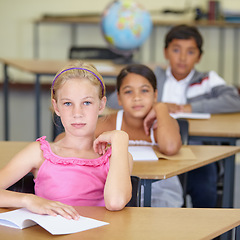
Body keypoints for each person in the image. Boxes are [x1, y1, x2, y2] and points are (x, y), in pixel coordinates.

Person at [108, 24, 240, 208]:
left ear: (199, 56)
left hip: (195, 148)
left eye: (190, 52)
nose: (182, 58)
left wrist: (190, 107)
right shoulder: (154, 76)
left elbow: (234, 99)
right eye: (176, 50)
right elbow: (114, 100)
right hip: (155, 146)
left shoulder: (207, 79)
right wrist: (155, 106)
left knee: (205, 186)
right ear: (165, 52)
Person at [0, 61, 133, 219]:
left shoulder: (116, 157)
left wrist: (120, 139)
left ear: (101, 105)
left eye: (87, 102)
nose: (78, 113)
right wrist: (29, 200)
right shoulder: (39, 153)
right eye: (68, 103)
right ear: (56, 108)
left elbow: (116, 202)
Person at [96, 64, 183, 207]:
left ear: (155, 95)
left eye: (144, 91)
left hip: (161, 192)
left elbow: (171, 147)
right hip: (118, 192)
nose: (137, 98)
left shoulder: (164, 122)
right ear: (119, 98)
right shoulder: (109, 122)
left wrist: (161, 108)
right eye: (128, 92)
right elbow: (67, 139)